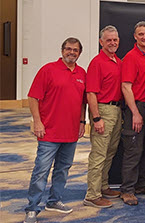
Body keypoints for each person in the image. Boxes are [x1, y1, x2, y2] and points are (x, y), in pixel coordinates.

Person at [24, 37, 86, 223]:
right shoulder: (48, 70)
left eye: (75, 50)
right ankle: (32, 208)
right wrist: (37, 122)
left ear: (79, 53)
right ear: (62, 51)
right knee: (41, 171)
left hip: (71, 132)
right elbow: (33, 97)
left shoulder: (82, 73)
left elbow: (83, 102)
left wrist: (83, 121)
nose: (71, 52)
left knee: (63, 169)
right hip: (49, 132)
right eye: (68, 49)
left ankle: (54, 201)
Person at [120, 21, 145, 205]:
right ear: (135, 37)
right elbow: (126, 87)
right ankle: (127, 190)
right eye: (141, 34)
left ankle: (141, 184)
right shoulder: (131, 57)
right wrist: (135, 113)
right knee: (133, 151)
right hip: (137, 107)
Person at [83, 25, 122, 208]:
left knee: (110, 152)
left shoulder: (118, 61)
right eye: (108, 40)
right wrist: (96, 118)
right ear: (101, 42)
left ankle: (103, 186)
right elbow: (91, 93)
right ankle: (92, 195)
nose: (112, 43)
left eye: (115, 39)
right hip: (103, 110)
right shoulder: (97, 62)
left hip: (116, 110)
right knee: (98, 154)